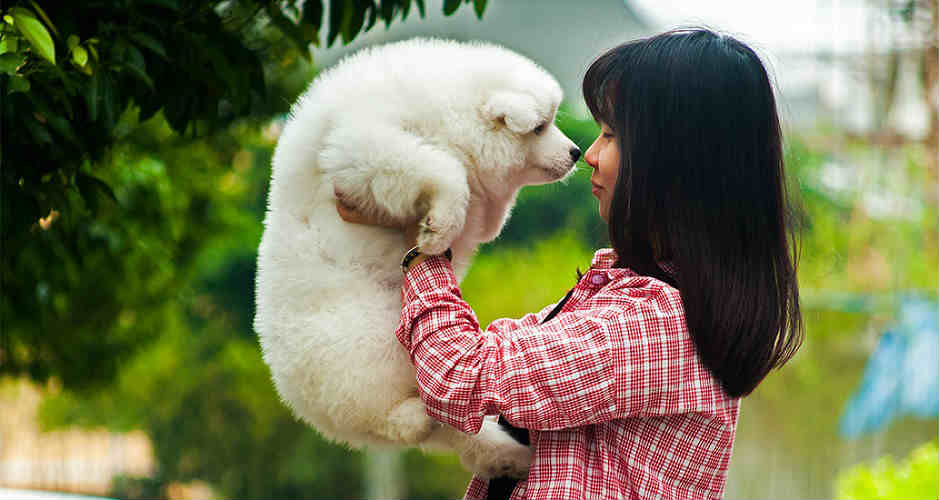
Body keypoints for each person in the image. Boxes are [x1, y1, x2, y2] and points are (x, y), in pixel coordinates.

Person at [336, 27, 804, 500]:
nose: (592, 156)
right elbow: (499, 355)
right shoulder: (629, 294)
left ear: (677, 161)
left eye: (612, 135)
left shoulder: (656, 325)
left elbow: (462, 376)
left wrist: (419, 242)